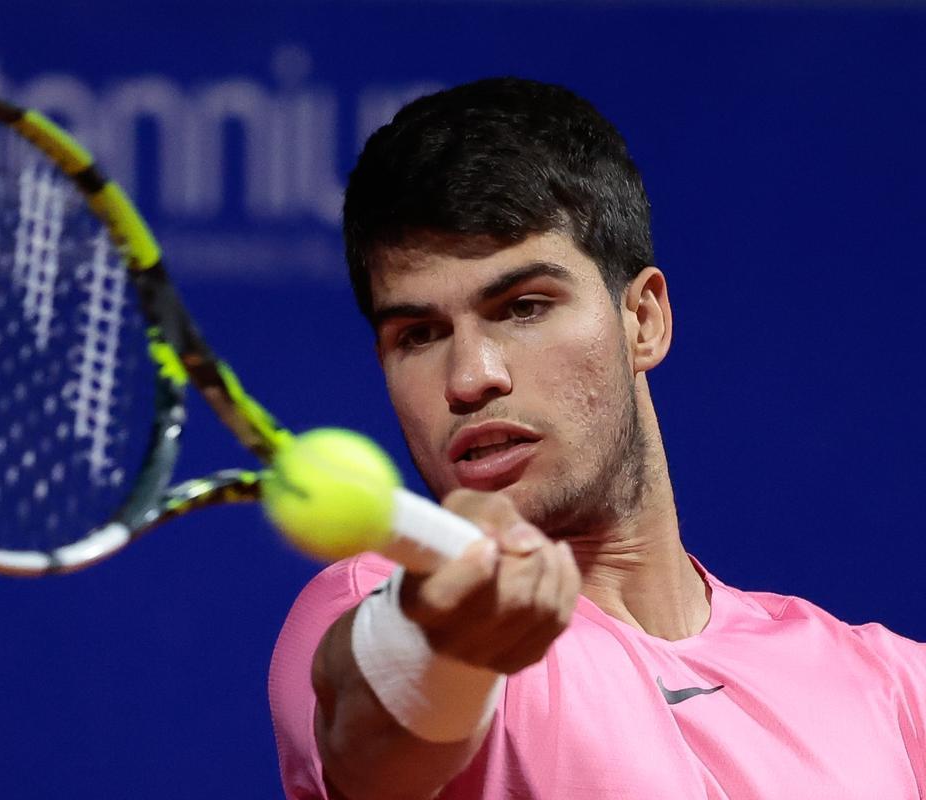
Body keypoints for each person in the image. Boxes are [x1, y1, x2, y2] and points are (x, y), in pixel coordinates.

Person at [267, 77, 926, 799]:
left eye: (522, 307)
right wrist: (439, 645)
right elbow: (369, 749)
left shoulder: (893, 688)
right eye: (419, 335)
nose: (470, 378)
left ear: (642, 319)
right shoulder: (389, 603)